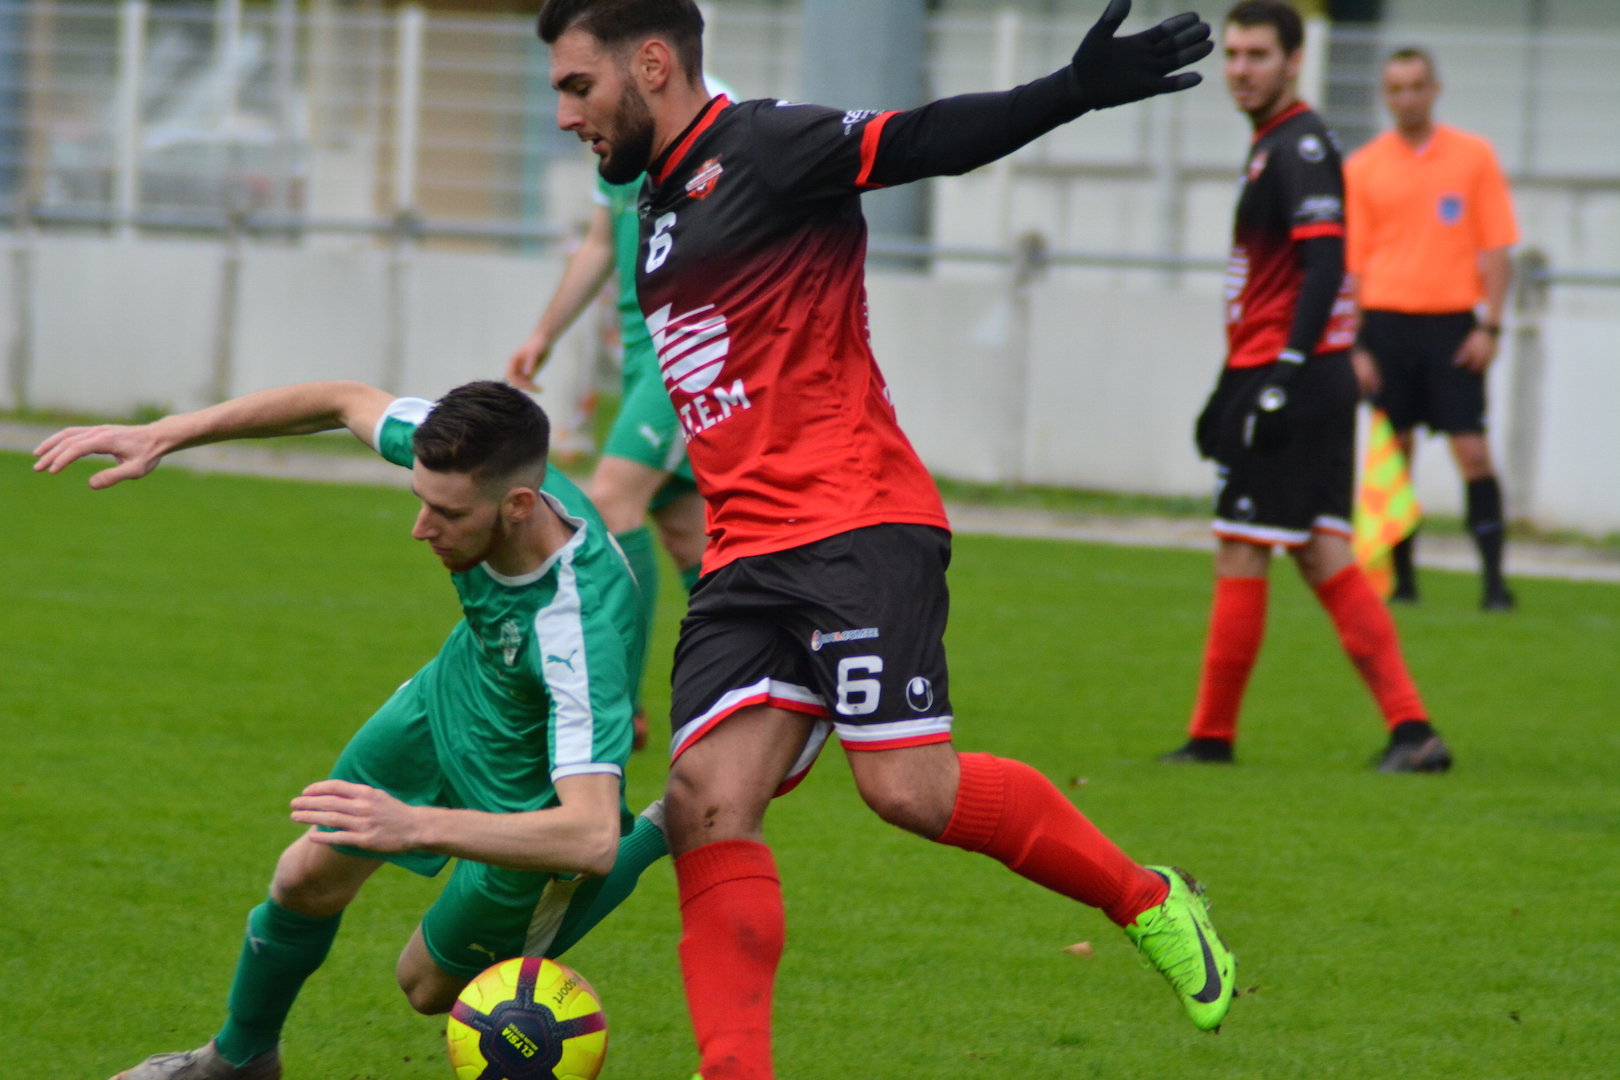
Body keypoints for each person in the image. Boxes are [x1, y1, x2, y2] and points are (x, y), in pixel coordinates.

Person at [538, 1, 1233, 1076]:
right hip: (742, 554)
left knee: (907, 791)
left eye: (578, 86)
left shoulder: (767, 145)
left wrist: (1071, 91)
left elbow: (922, 141)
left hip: (854, 521)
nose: (564, 114)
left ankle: (1148, 899)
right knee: (703, 805)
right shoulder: (658, 200)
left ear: (655, 64)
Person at [34, 381, 670, 1080]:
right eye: (421, 499)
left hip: (526, 788)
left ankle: (664, 828)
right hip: (450, 698)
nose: (421, 528)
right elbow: (342, 399)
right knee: (304, 877)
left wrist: (415, 825)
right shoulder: (470, 459)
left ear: (520, 506)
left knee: (426, 987)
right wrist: (168, 432)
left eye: (447, 513)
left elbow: (589, 836)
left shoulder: (579, 634)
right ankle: (239, 1060)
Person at [1162, 0, 1452, 774]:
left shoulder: (1300, 146)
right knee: (1323, 552)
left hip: (1291, 374)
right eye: (1233, 55)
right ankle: (1413, 732)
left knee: (1242, 546)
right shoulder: (1276, 143)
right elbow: (1267, 287)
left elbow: (1325, 265)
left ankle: (1211, 738)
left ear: (1294, 62)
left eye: (1258, 55)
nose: (1240, 69)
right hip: (1289, 372)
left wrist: (1281, 375)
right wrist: (1226, 389)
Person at [508, 155, 713, 749]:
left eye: (579, 105)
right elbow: (600, 244)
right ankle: (782, 668)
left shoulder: (704, 137)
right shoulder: (616, 155)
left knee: (612, 501)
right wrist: (545, 333)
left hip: (685, 353)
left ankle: (620, 699)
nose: (570, 118)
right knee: (691, 536)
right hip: (641, 357)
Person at [1346, 46, 1519, 610]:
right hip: (1386, 327)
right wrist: (1356, 344)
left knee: (1472, 452)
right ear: (1385, 96)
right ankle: (1403, 583)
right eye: (1395, 89)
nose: (1407, 98)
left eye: (1416, 86)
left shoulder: (1473, 157)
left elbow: (1498, 247)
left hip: (1452, 327)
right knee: (1395, 454)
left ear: (1435, 89)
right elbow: (1351, 266)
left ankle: (1494, 582)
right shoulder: (1363, 167)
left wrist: (1491, 327)